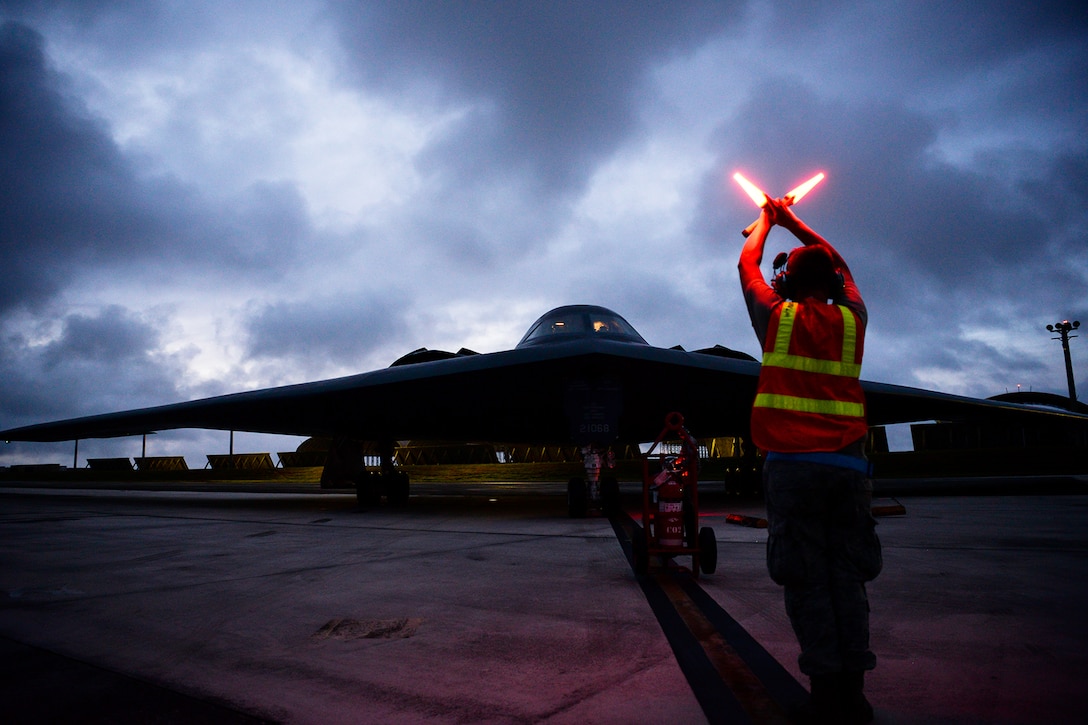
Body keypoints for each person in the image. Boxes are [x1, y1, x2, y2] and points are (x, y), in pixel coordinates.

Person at [737, 197, 882, 724]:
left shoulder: (775, 316)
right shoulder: (853, 321)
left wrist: (767, 223)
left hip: (793, 469)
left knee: (806, 579)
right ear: (835, 281)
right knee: (848, 577)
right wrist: (794, 222)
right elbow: (838, 263)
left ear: (787, 283)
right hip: (847, 468)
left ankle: (824, 696)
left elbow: (747, 264)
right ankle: (855, 695)